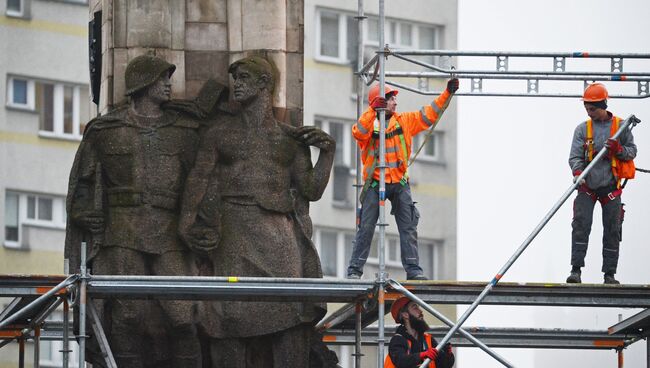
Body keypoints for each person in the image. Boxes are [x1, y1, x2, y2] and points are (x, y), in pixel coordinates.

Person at [178, 56, 335, 367]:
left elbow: (311, 191)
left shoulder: (289, 139)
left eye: (243, 77)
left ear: (264, 83)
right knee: (228, 317)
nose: (236, 83)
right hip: (234, 232)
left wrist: (328, 153)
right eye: (234, 77)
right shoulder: (220, 133)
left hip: (278, 235)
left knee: (290, 314)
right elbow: (197, 182)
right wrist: (187, 226)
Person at [65, 54, 206, 367]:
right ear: (143, 84)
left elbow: (203, 183)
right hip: (122, 233)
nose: (169, 85)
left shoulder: (183, 131)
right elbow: (82, 185)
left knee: (183, 316)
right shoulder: (105, 130)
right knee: (127, 315)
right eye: (162, 79)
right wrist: (81, 212)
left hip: (170, 235)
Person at [347, 79, 459, 280]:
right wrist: (372, 111)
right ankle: (355, 270)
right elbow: (359, 132)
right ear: (380, 102)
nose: (395, 102)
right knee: (366, 227)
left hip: (399, 182)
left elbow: (429, 114)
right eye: (391, 99)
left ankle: (413, 270)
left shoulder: (404, 121)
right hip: (375, 182)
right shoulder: (369, 123)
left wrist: (447, 93)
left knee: (408, 227)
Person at [566, 83, 637, 285]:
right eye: (587, 108)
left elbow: (632, 151)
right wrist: (578, 172)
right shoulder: (582, 129)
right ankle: (576, 270)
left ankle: (609, 274)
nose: (589, 113)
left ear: (603, 105)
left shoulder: (620, 128)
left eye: (592, 109)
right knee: (580, 225)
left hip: (611, 188)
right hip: (587, 187)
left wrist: (618, 149)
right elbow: (574, 157)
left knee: (612, 230)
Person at [385, 296, 455, 368]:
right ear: (405, 315)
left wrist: (447, 355)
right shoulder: (398, 340)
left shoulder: (428, 339)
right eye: (415, 308)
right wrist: (422, 355)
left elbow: (444, 365)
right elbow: (400, 361)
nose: (420, 311)